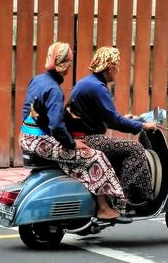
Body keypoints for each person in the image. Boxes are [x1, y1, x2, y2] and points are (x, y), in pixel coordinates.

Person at [19, 42, 131, 223]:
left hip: (27, 137)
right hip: (41, 142)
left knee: (83, 156)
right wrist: (70, 143)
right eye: (69, 63)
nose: (70, 67)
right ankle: (104, 208)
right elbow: (56, 125)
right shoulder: (55, 90)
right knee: (95, 156)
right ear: (65, 65)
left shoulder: (37, 80)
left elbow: (29, 111)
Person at [65, 46, 157, 205]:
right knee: (135, 148)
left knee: (122, 149)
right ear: (110, 68)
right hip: (90, 140)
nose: (118, 69)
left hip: (81, 136)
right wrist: (143, 125)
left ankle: (116, 190)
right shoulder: (98, 88)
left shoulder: (88, 82)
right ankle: (127, 198)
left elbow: (107, 117)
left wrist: (127, 119)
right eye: (117, 65)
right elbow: (114, 121)